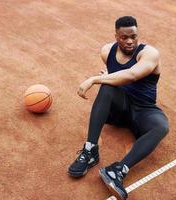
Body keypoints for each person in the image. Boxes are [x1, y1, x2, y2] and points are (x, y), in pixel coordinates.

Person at [68, 16, 169, 200]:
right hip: (120, 109)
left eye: (134, 36)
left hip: (143, 109)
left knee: (161, 126)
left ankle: (118, 170)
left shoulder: (150, 54)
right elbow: (116, 78)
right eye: (124, 37)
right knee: (107, 87)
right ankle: (90, 151)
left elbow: (131, 75)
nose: (130, 41)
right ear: (116, 36)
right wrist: (108, 77)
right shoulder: (107, 51)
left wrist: (95, 79)